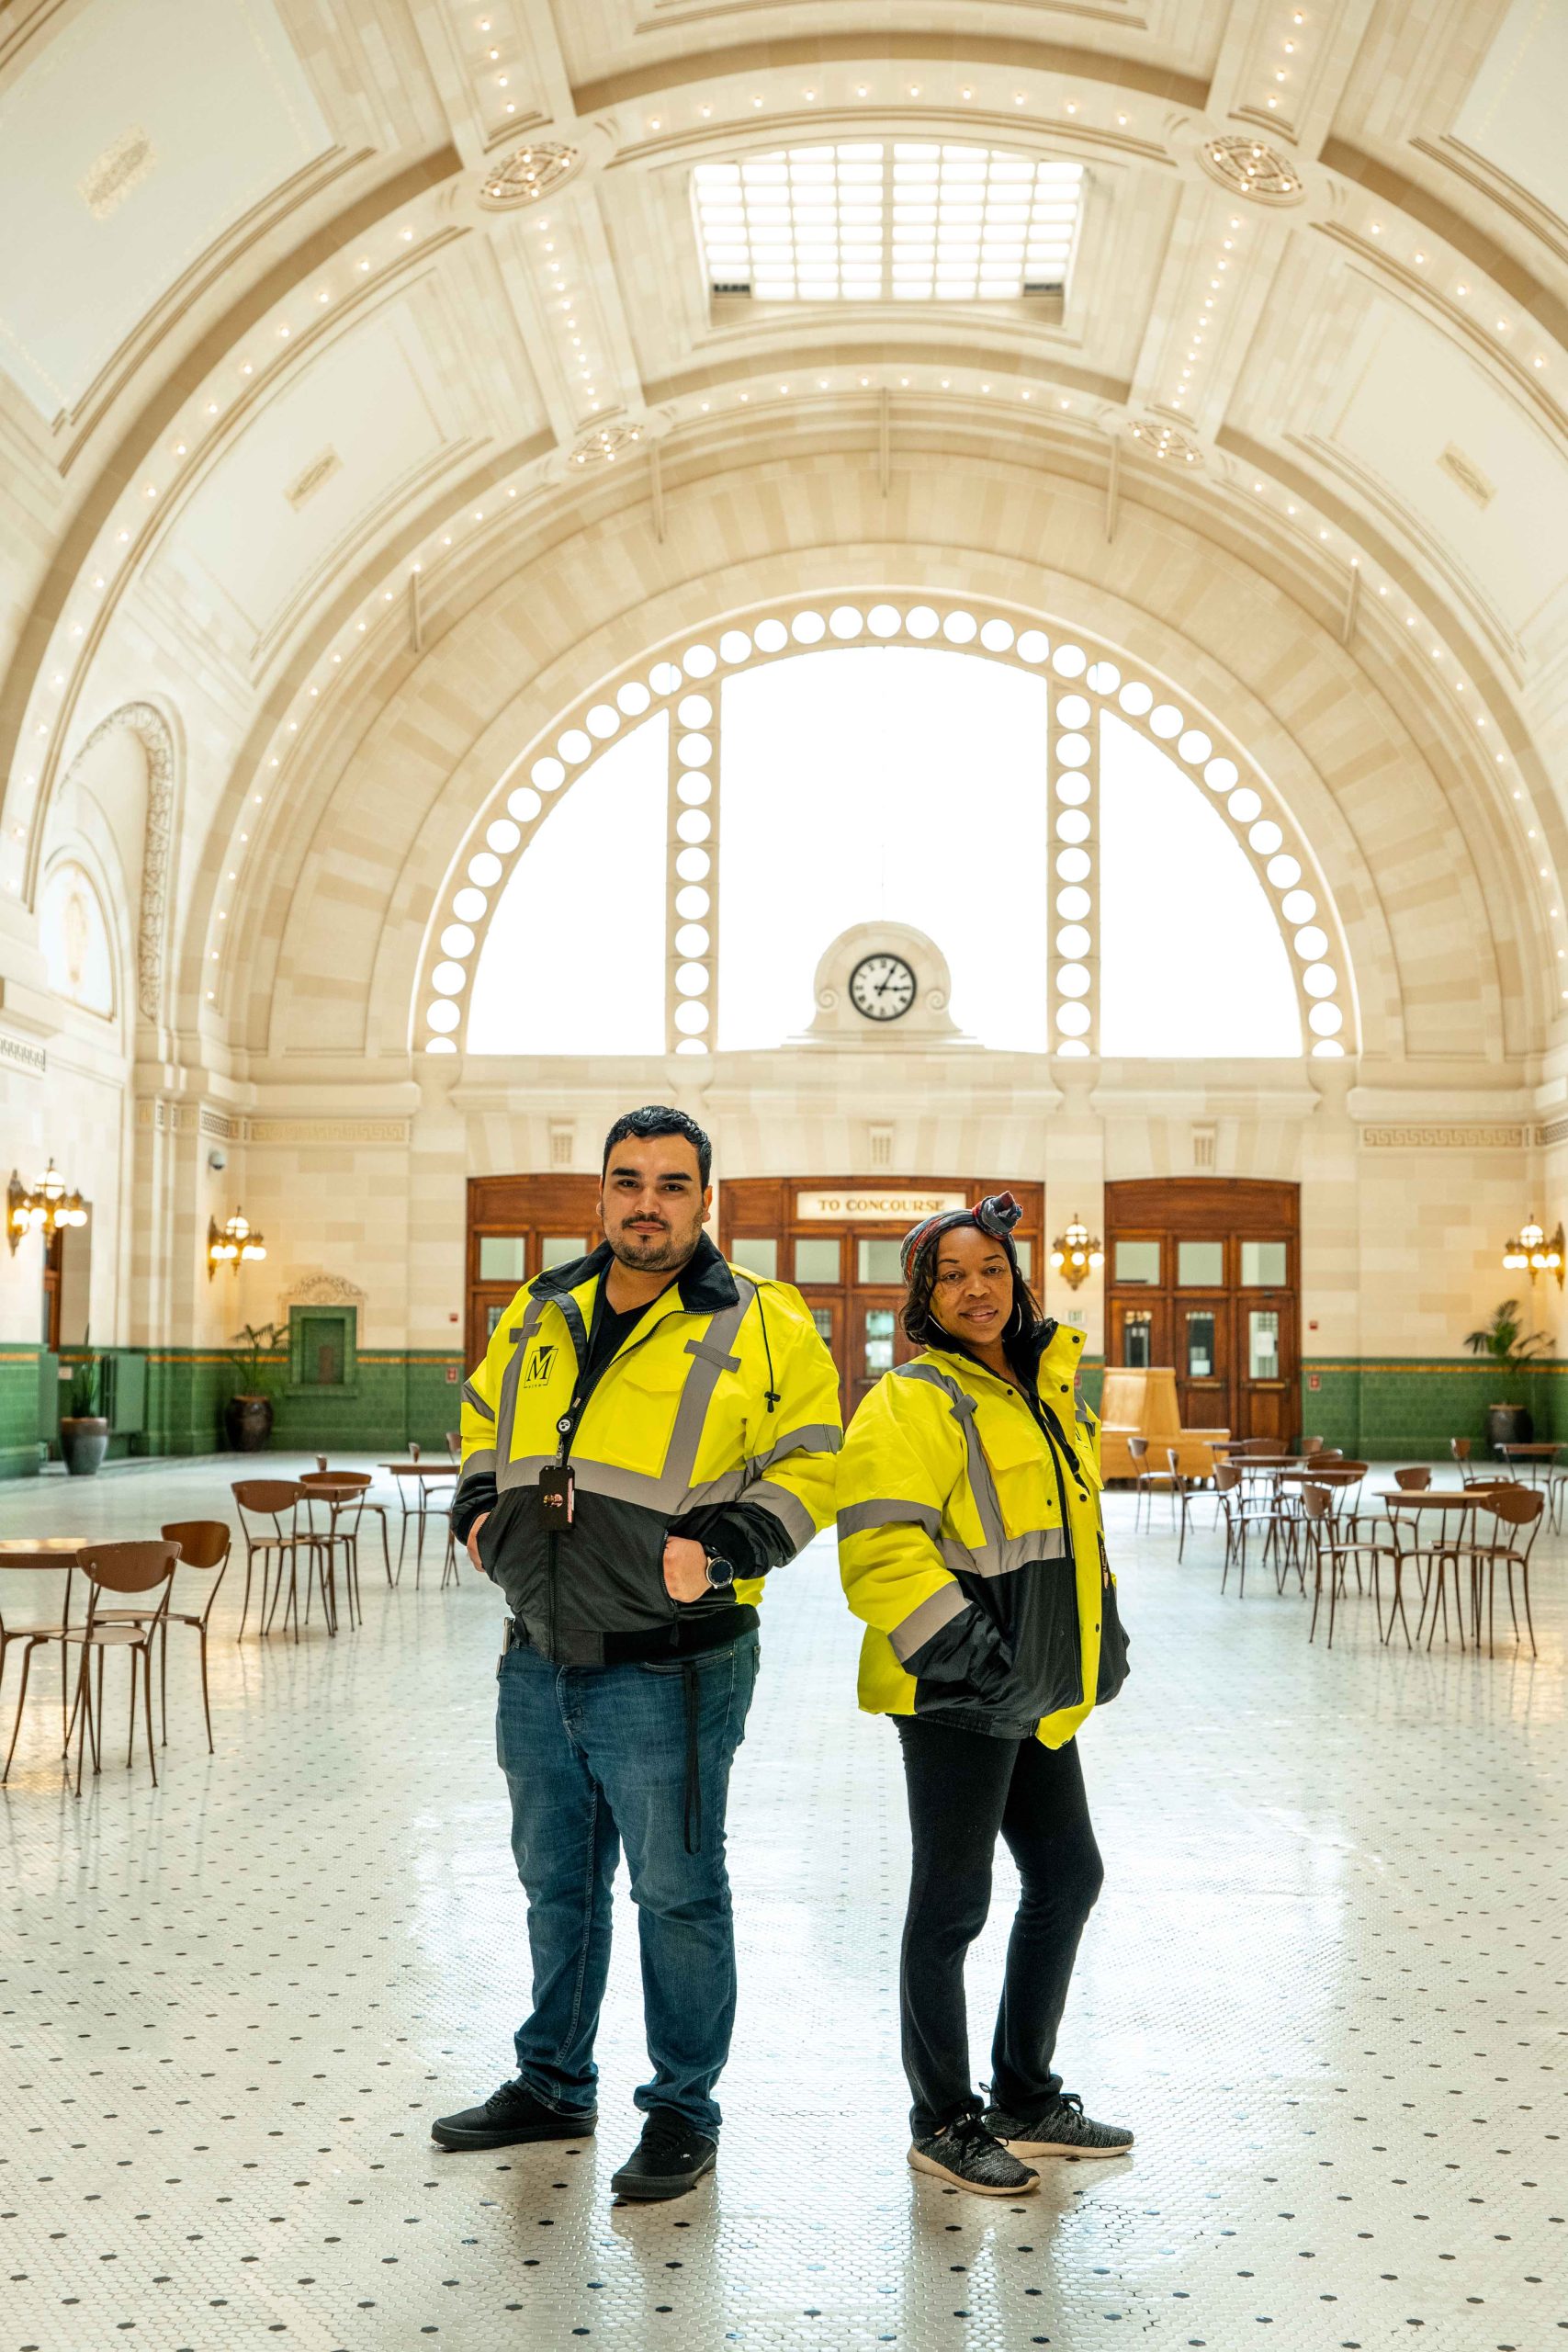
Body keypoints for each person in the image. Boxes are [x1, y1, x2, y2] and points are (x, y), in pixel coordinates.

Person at [434, 1106, 840, 2200]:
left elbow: (816, 1459)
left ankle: (681, 2111)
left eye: (671, 1183)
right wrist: (478, 1507)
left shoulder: (761, 1319)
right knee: (555, 1885)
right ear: (601, 1195)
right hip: (538, 1650)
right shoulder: (543, 1301)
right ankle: (555, 2080)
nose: (647, 1202)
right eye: (627, 1181)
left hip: (674, 1662)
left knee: (677, 1891)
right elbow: (483, 1410)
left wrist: (729, 1544)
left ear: (707, 1200)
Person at [836, 1191, 1131, 2195]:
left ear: (1018, 1278)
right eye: (951, 1274)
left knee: (1069, 1876)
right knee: (953, 1904)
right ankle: (943, 2119)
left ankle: (1024, 2094)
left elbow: (1073, 1533)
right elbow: (879, 1552)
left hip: (1040, 1685)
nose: (976, 1288)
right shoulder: (908, 1400)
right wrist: (966, 1652)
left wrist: (1104, 1635)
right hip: (959, 1692)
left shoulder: (1047, 1394)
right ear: (924, 1296)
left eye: (991, 1269)